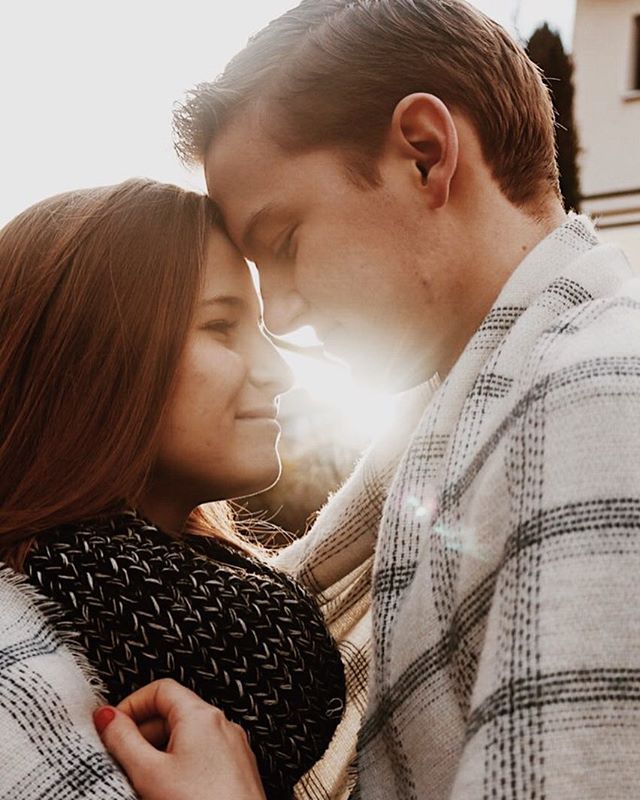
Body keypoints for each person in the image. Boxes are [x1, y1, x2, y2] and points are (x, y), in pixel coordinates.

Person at [159, 0, 640, 798]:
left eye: (282, 243)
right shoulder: (460, 426)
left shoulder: (594, 404)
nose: (278, 315)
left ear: (424, 153)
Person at [0, 178, 345, 800]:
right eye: (221, 325)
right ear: (92, 357)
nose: (279, 370)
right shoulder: (16, 667)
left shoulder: (223, 608)